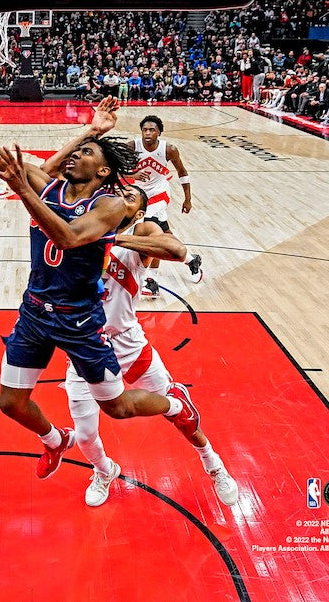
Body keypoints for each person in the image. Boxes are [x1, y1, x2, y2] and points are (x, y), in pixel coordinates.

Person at [0, 71, 201, 479]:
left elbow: (67, 237)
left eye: (86, 153)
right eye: (77, 150)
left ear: (103, 172)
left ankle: (176, 404)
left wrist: (24, 189)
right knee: (10, 403)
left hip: (79, 320)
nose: (76, 155)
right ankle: (55, 440)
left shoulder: (111, 207)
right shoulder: (47, 185)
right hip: (35, 311)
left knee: (117, 408)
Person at [63, 192, 238, 507]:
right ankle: (104, 471)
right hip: (85, 347)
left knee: (182, 418)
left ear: (139, 211)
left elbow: (175, 249)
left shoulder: (138, 237)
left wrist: (113, 240)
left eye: (130, 197)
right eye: (118, 194)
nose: (121, 199)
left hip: (129, 344)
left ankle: (214, 465)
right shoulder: (83, 230)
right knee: (86, 434)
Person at [130, 115, 201, 296]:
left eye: (152, 130)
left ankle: (151, 280)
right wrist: (134, 175)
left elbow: (182, 172)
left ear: (159, 132)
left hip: (159, 192)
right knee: (163, 232)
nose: (147, 133)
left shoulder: (169, 149)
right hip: (139, 194)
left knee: (149, 230)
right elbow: (115, 167)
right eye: (145, 129)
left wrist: (188, 198)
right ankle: (191, 259)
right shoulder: (132, 146)